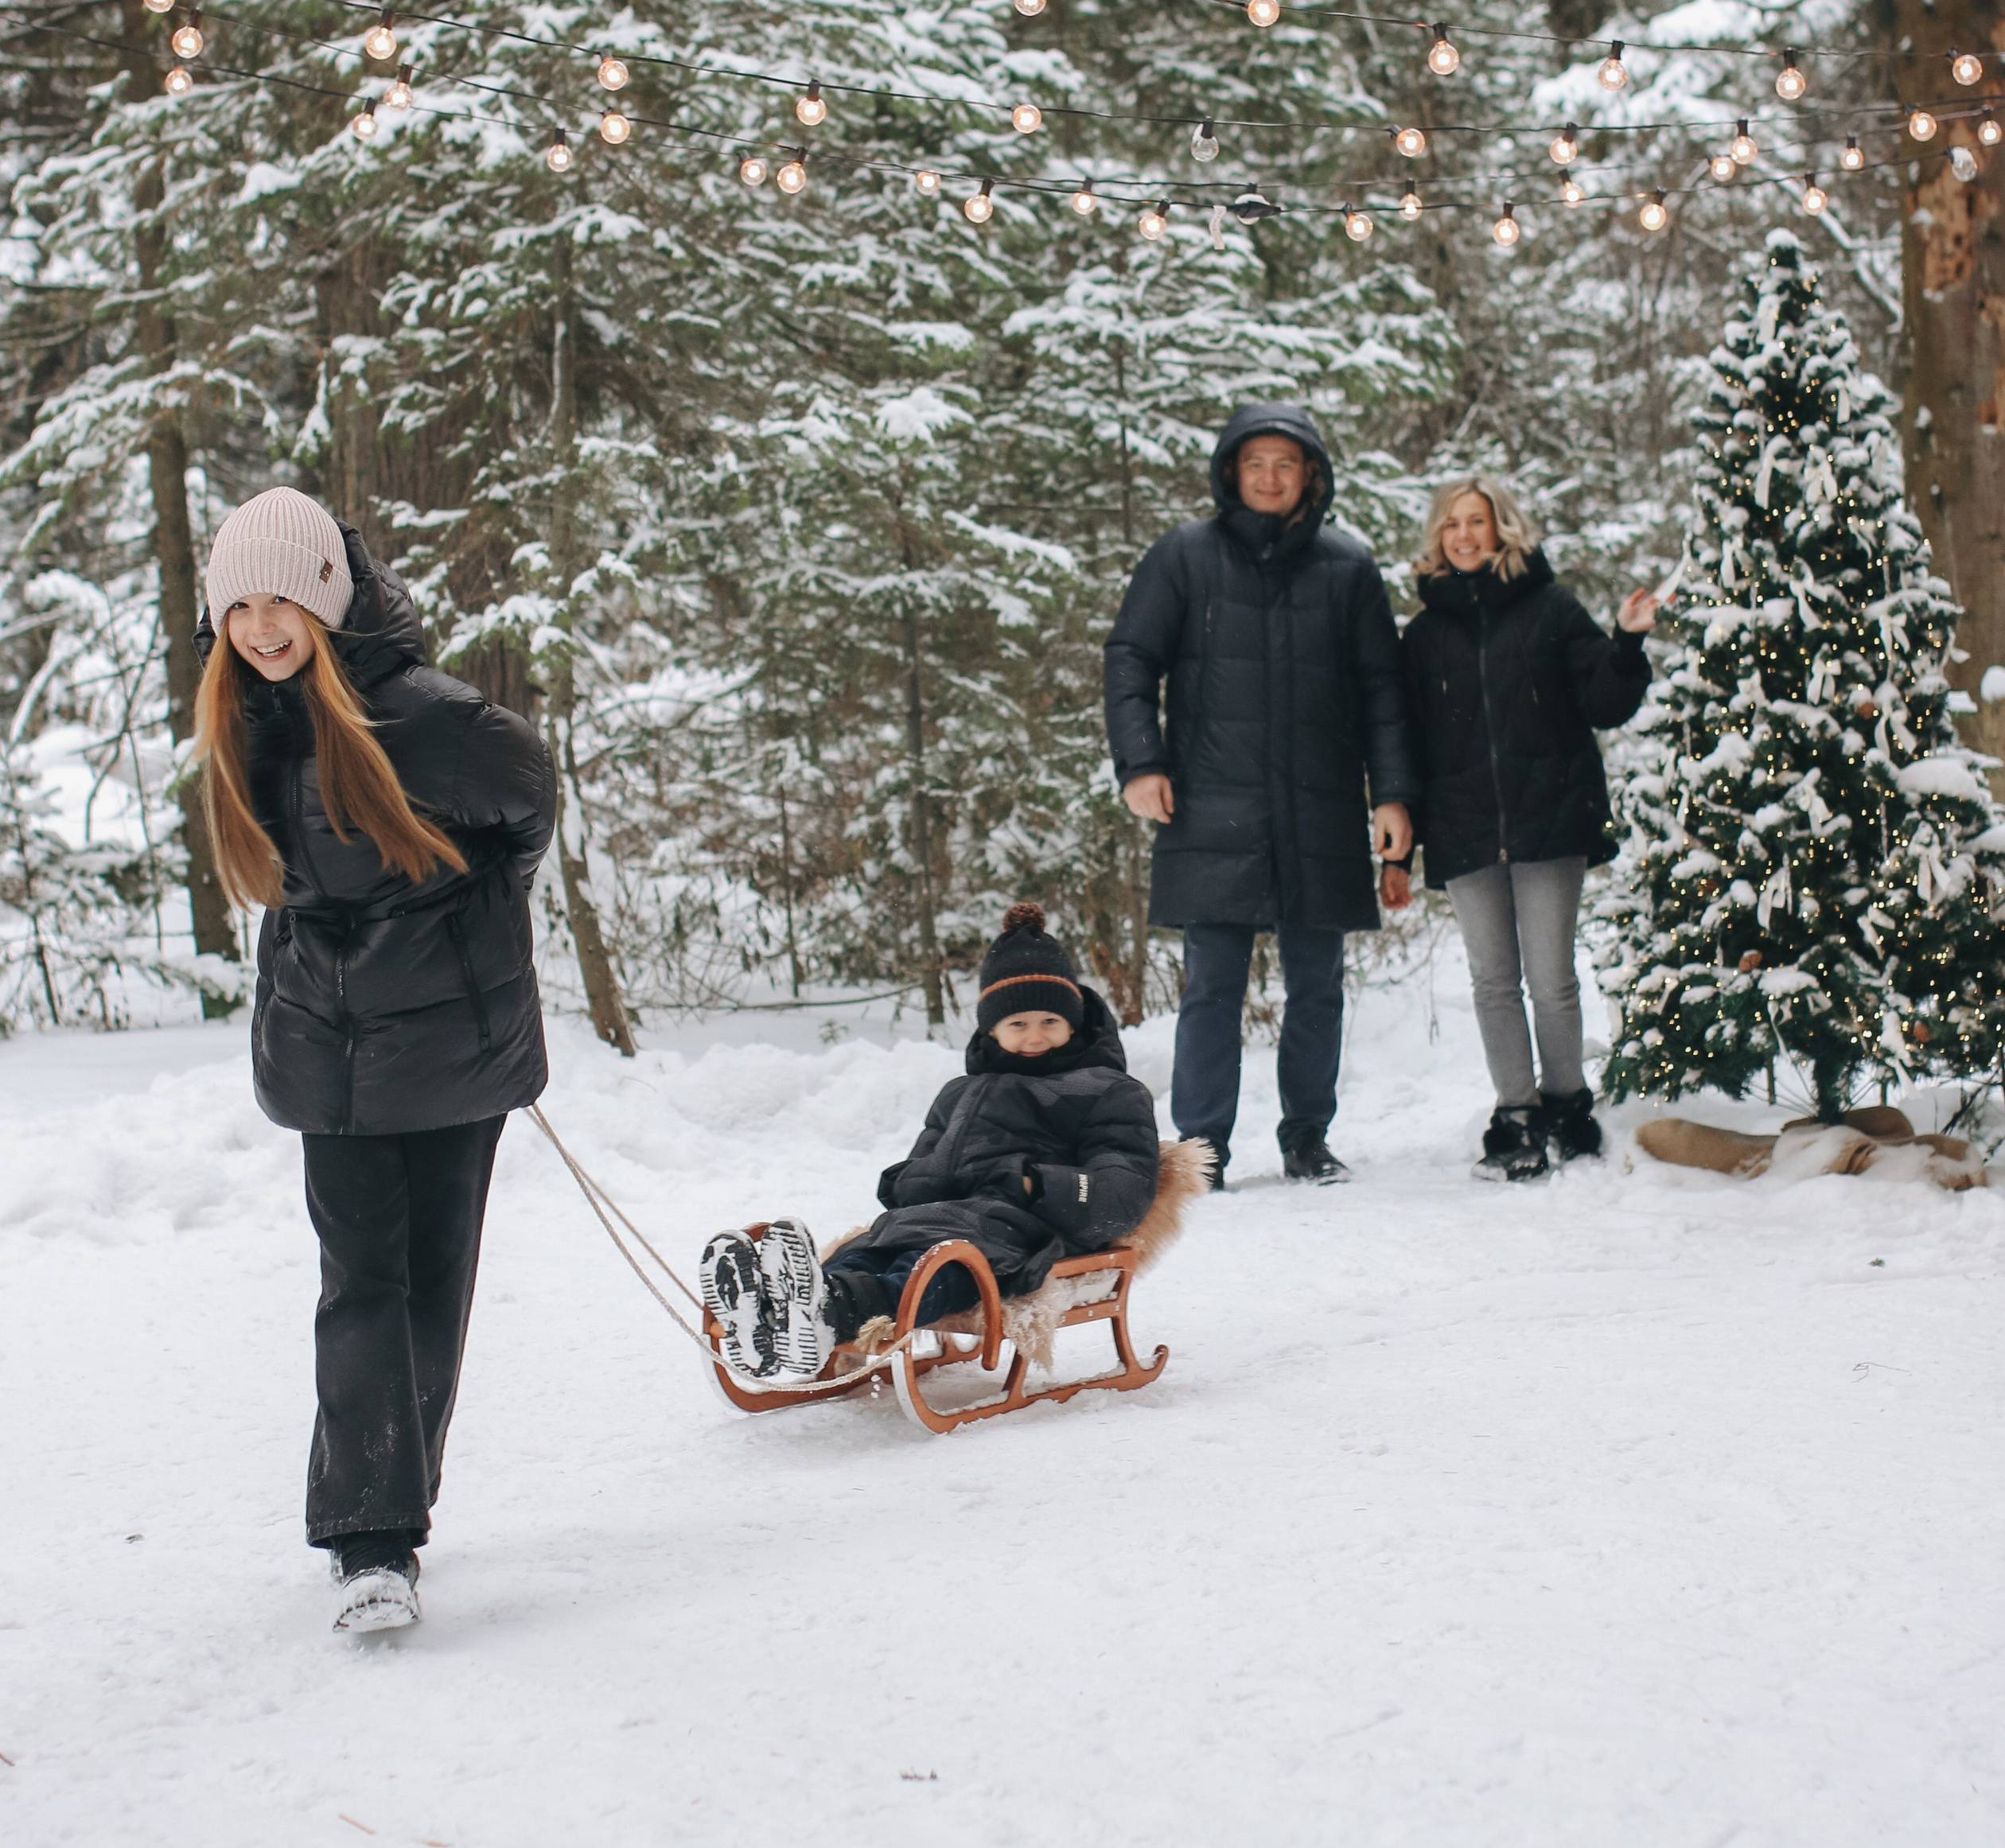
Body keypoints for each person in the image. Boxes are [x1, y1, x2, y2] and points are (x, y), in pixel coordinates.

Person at [192, 487, 555, 1631]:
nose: (261, 627)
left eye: (282, 600)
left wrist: (461, 914)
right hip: (325, 1048)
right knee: (359, 1286)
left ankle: (397, 1503)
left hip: (447, 1039)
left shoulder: (431, 719)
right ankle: (369, 1543)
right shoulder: (239, 717)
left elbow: (526, 809)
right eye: (238, 605)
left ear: (329, 597)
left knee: (430, 1288)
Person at [1103, 402, 1415, 1188]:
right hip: (1211, 804)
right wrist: (1141, 763)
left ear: (1310, 473)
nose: (1270, 477)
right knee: (1210, 985)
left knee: (1317, 983)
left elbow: (1384, 692)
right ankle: (1201, 1147)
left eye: (1286, 463)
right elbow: (1131, 658)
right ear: (1231, 473)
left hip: (1320, 806)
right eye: (1255, 463)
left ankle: (1307, 1135)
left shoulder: (1347, 567)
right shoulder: (1184, 556)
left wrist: (1394, 796)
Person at [702, 905, 1161, 1387]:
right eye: (1018, 1024)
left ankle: (824, 1316)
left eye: (1050, 1020)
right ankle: (773, 1314)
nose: (1035, 1036)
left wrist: (1032, 1183)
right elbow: (921, 1166)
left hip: (1022, 1230)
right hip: (936, 1214)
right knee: (872, 1248)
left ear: (1073, 1021)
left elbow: (1121, 1194)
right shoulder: (962, 1091)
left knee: (934, 1267)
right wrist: (914, 1179)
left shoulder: (1109, 1091)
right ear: (992, 1028)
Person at [1399, 477, 1658, 1181]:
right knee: (1492, 980)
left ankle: (1568, 1103)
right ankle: (1515, 1112)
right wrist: (1401, 823)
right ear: (1438, 537)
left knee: (1551, 978)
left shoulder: (1551, 610)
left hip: (1551, 817)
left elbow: (1604, 702)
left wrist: (1627, 644)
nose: (1465, 535)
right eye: (1453, 524)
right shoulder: (1422, 637)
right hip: (1462, 824)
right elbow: (1404, 739)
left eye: (1478, 521)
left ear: (1503, 529)